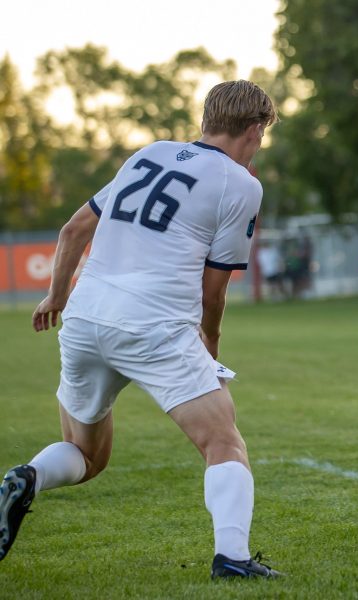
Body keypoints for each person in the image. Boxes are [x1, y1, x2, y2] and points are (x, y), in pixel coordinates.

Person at [0, 80, 282, 579]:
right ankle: (232, 559)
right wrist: (209, 348)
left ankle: (28, 477)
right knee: (223, 440)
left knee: (87, 456)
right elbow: (212, 292)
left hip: (85, 317)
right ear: (256, 130)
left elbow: (71, 231)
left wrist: (57, 295)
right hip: (154, 325)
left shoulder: (148, 153)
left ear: (206, 120)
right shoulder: (242, 184)